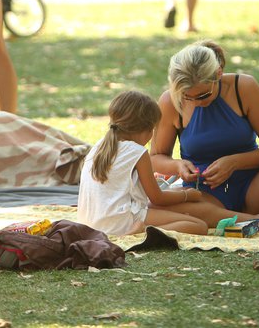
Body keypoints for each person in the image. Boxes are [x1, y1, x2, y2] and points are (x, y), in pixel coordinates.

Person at [151, 40, 259, 244]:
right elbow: (155, 157)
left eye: (203, 95)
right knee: (154, 207)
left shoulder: (243, 87)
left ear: (218, 74)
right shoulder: (169, 101)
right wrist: (177, 166)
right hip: (207, 196)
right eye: (187, 96)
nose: (197, 102)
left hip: (255, 188)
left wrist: (234, 162)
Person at [78, 90, 209, 236]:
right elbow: (157, 198)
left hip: (90, 223)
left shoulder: (100, 146)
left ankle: (141, 229)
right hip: (119, 221)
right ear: (146, 130)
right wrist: (188, 195)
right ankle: (140, 232)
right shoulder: (137, 152)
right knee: (198, 225)